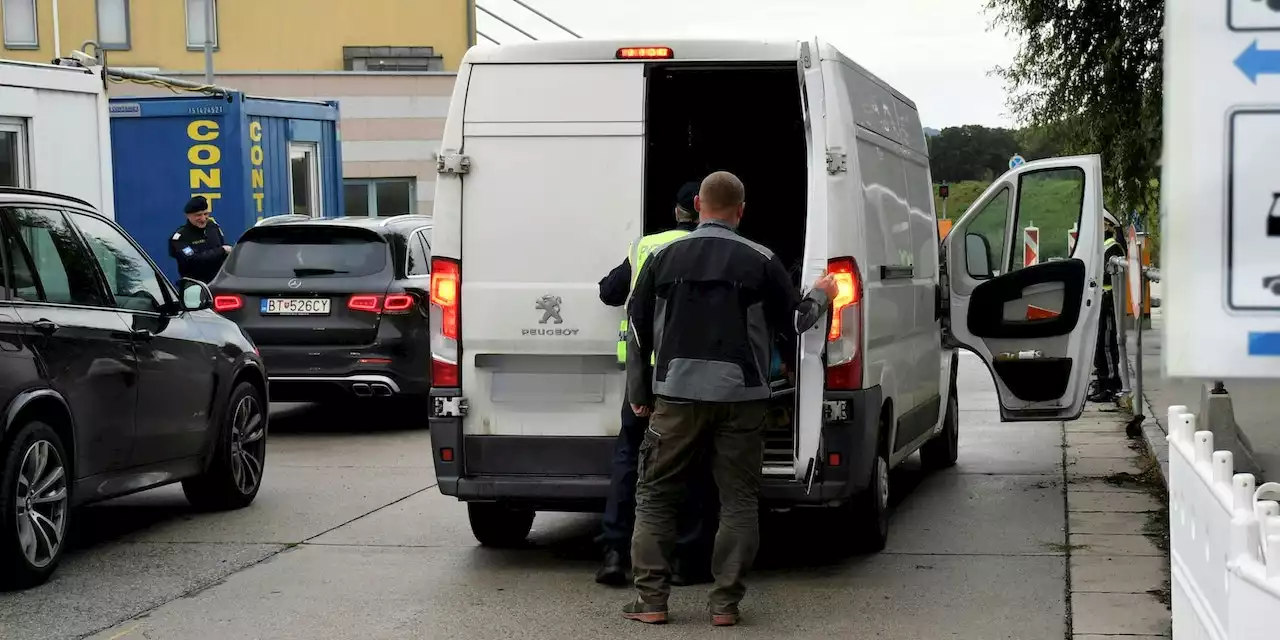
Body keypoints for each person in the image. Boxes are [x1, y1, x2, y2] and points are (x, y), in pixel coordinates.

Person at [621, 172, 837, 626]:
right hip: (743, 397)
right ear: (741, 210)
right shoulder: (760, 260)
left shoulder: (661, 257)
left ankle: (652, 602)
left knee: (656, 497)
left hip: (675, 396)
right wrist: (824, 291)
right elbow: (797, 323)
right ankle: (724, 605)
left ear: (698, 204)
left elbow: (637, 327)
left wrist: (640, 394)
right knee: (738, 500)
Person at [595, 182, 716, 588]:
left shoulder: (647, 247)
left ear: (678, 211)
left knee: (630, 460)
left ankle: (614, 552)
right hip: (684, 375)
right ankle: (685, 559)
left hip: (640, 376)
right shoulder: (713, 250)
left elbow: (609, 292)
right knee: (692, 463)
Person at [1090, 213, 1127, 403]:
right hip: (1100, 300)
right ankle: (1102, 382)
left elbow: (1107, 274)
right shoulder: (1101, 245)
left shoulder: (1112, 246)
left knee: (1107, 345)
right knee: (1099, 345)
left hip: (1109, 301)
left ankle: (1111, 385)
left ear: (1107, 226)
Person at [169, 196, 231, 284]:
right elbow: (193, 260)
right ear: (188, 216)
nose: (203, 219)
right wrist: (221, 250)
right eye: (198, 215)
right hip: (195, 286)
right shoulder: (180, 237)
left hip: (219, 283)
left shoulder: (212, 227)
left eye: (206, 214)